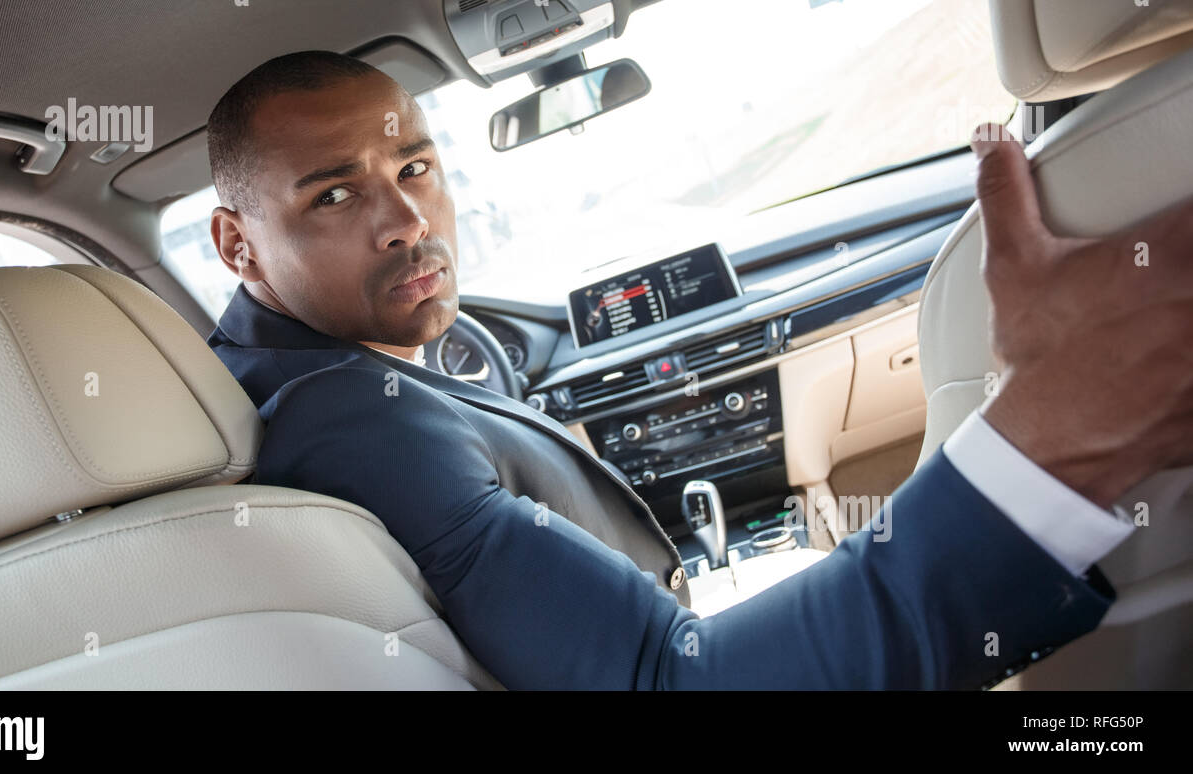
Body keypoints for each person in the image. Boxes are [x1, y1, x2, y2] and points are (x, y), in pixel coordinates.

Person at [206, 50, 1193, 689]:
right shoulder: (349, 421)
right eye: (334, 195)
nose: (408, 221)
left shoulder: (314, 375)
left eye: (413, 167)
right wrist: (1049, 442)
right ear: (238, 245)